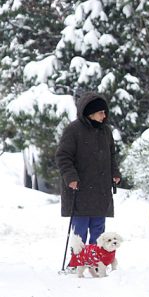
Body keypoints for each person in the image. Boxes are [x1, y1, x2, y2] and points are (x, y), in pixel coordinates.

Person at [55, 91, 122, 245]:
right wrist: (70, 177)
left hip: (101, 191)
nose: (104, 116)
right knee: (80, 231)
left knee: (99, 231)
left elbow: (111, 156)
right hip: (80, 190)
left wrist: (115, 173)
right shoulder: (73, 130)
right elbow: (63, 156)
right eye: (100, 112)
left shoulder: (106, 131)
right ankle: (77, 262)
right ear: (90, 113)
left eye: (105, 112)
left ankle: (95, 263)